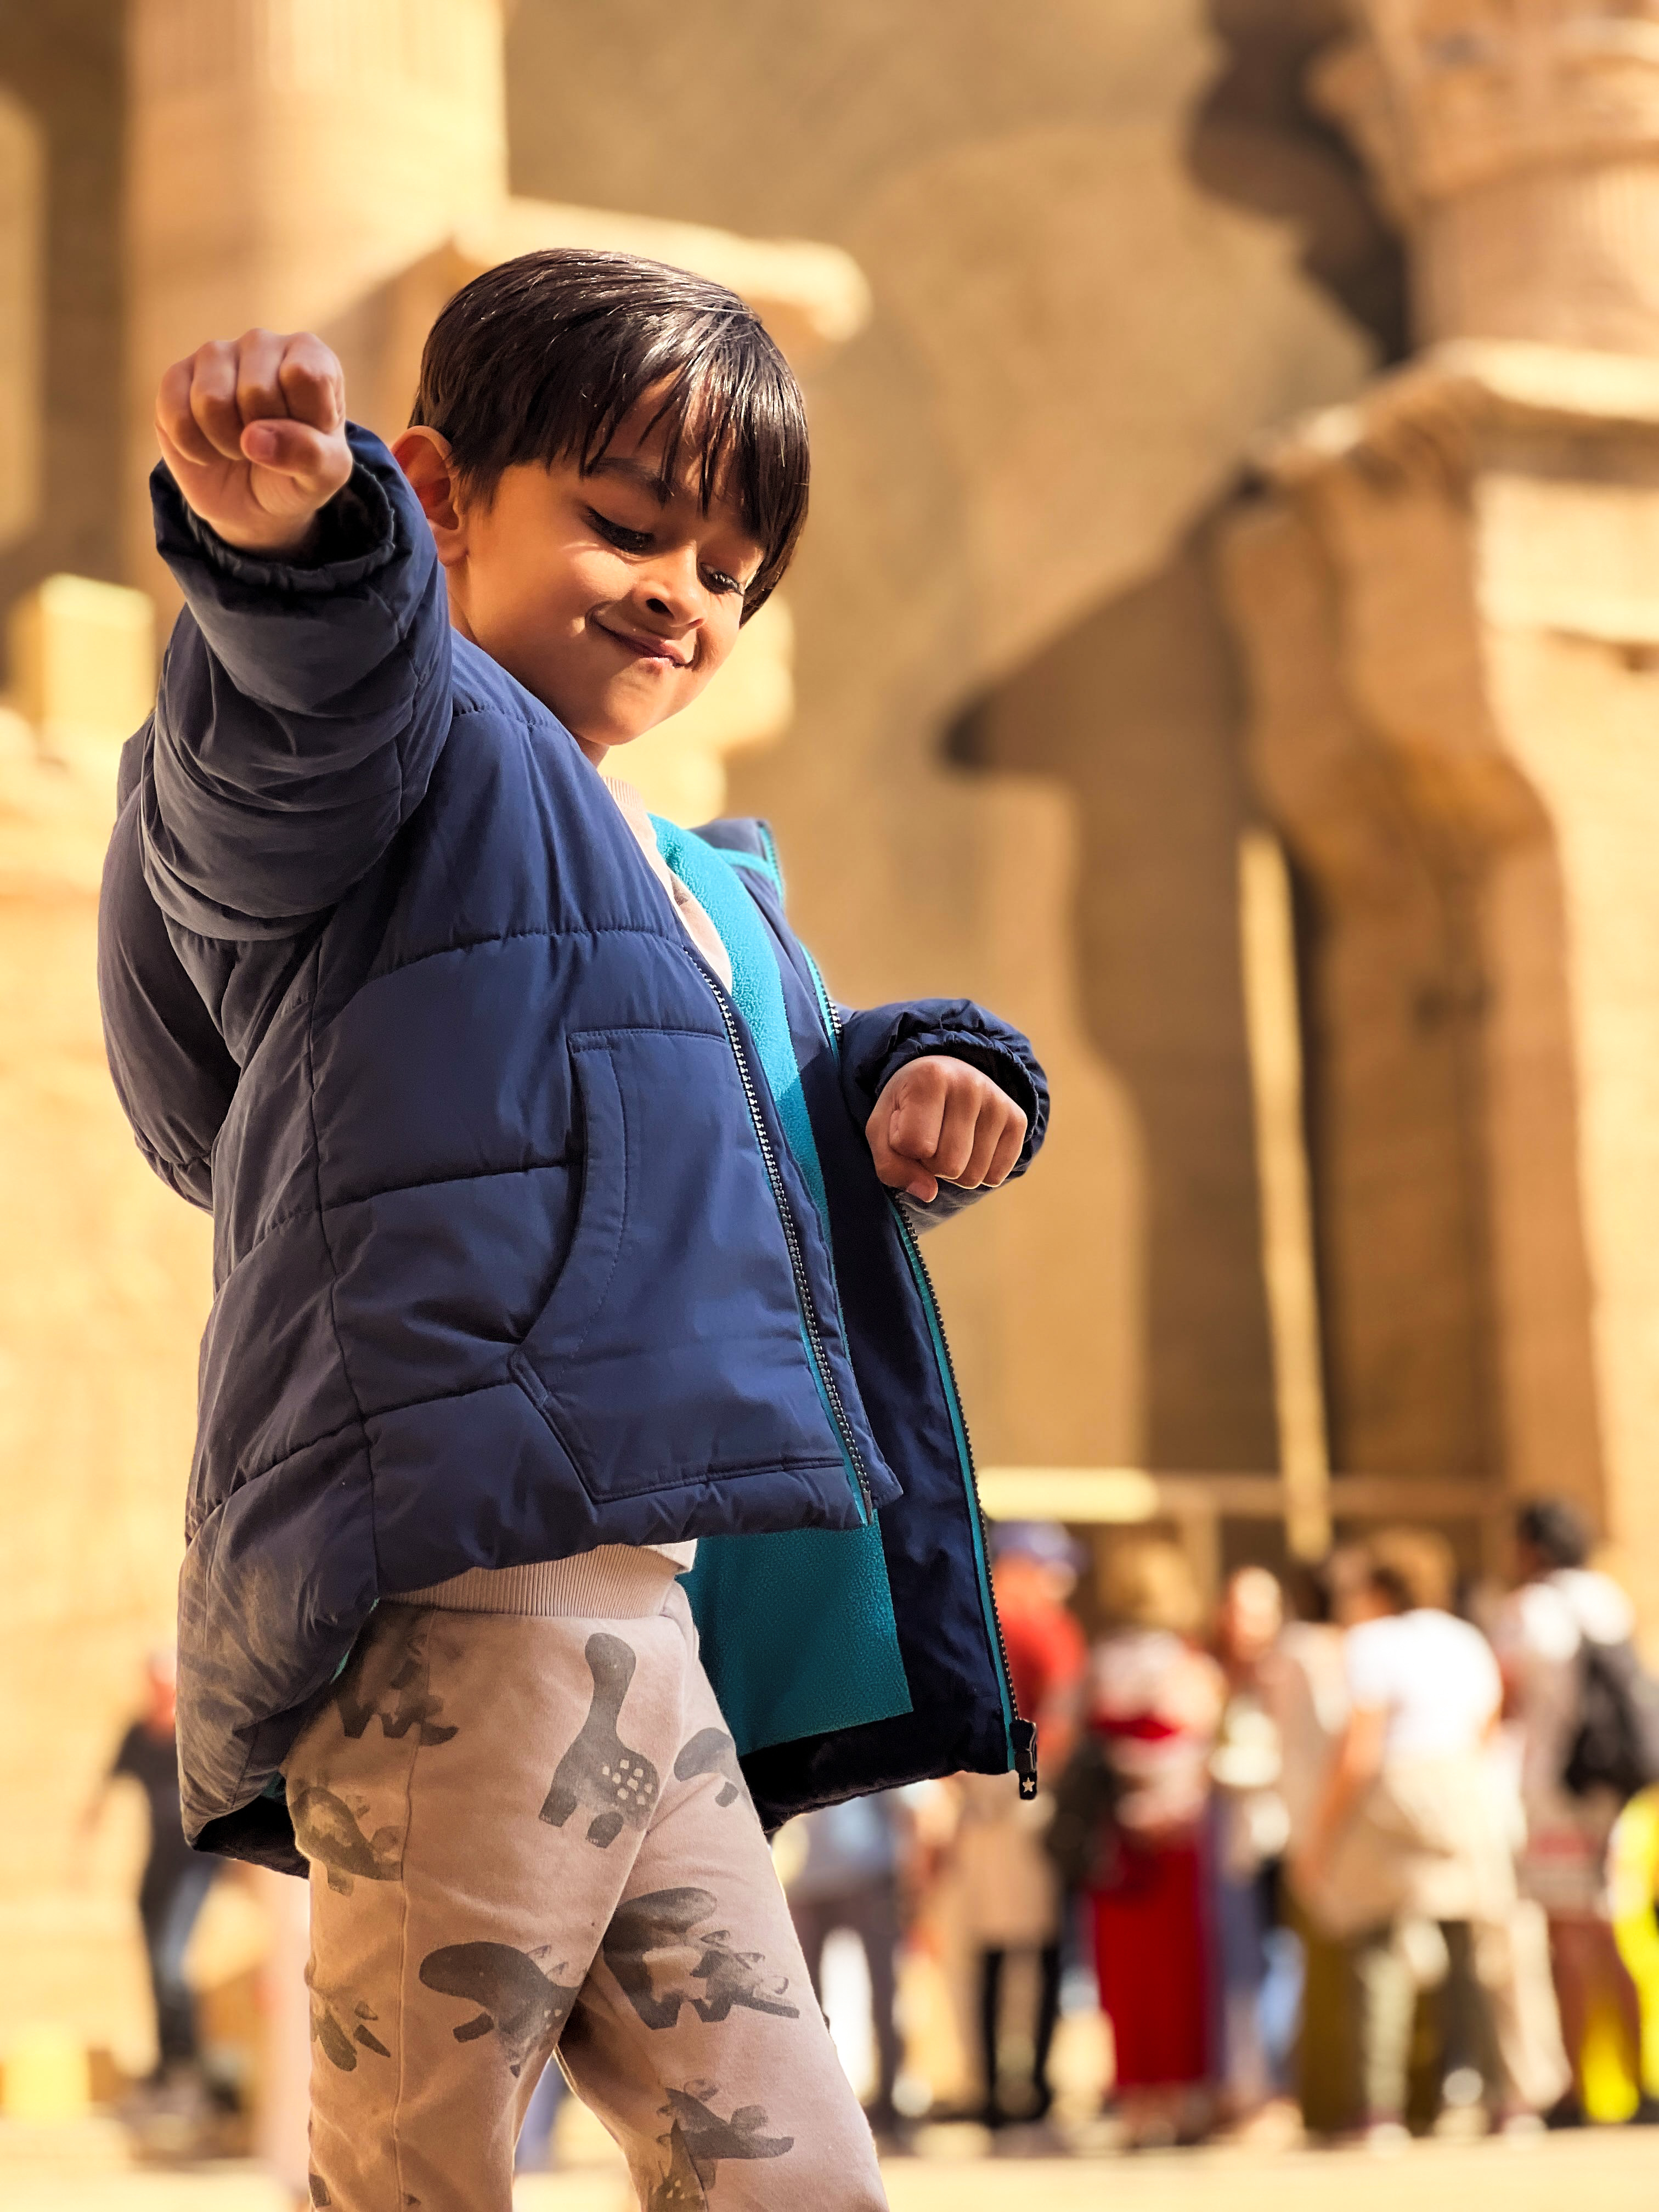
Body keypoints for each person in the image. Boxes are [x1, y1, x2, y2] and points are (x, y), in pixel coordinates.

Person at [97, 250, 1049, 2212]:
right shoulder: (403, 746)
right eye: (624, 523)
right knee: (412, 2177)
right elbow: (284, 734)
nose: (675, 595)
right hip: (466, 1572)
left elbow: (772, 1089)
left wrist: (927, 1077)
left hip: (646, 1627)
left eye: (725, 570)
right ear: (440, 498)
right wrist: (289, 550)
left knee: (785, 2178)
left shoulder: (690, 874)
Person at [1294, 1528, 1528, 2140]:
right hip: (1463, 1792)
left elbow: (1359, 1746)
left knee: (1378, 1951)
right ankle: (1501, 2100)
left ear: (1378, 1587)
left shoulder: (1370, 1643)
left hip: (1392, 1796)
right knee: (1472, 1951)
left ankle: (1379, 2111)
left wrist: (1321, 1836)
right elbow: (1488, 1727)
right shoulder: (1467, 1639)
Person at [1493, 1498, 1658, 2124]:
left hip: (1553, 1789)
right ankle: (1642, 2085)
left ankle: (1579, 2090)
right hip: (1613, 1790)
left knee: (1567, 1940)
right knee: (1614, 1928)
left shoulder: (1527, 1610)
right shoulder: (1606, 1598)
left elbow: (1506, 1701)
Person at [1085, 1535, 1224, 2146]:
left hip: (1117, 1833)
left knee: (1128, 1977)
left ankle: (1140, 2101)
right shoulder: (1188, 1663)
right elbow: (1197, 1747)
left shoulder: (1101, 1662)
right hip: (1176, 1833)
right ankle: (1180, 2097)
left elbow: (1092, 1744)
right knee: (1179, 1971)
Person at [950, 1522, 1086, 2131]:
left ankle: (991, 2091)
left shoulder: (966, 1606)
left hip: (976, 1799)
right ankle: (1030, 2089)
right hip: (1023, 1795)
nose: (1066, 1580)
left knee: (987, 1953)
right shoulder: (1039, 1621)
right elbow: (1062, 1720)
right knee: (1036, 1949)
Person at [80, 1650, 219, 2096]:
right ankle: (164, 2066)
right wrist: (84, 1854)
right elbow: (104, 1790)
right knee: (153, 1966)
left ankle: (189, 2066)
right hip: (157, 1864)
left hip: (195, 1864)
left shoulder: (196, 1731)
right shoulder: (138, 1736)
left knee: (172, 1964)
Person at [782, 1793, 910, 2143]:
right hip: (803, 1874)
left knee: (885, 1994)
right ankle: (812, 2106)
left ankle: (889, 2103)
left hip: (868, 1871)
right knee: (802, 2003)